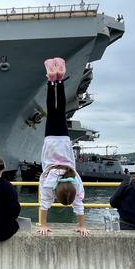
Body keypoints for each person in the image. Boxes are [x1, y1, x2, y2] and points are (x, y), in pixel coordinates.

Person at [38, 57, 89, 237]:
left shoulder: (75, 180)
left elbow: (79, 206)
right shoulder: (48, 183)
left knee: (61, 112)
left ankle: (59, 79)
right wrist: (43, 224)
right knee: (52, 111)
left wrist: (82, 225)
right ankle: (52, 81)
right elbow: (44, 205)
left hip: (64, 141)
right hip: (51, 141)